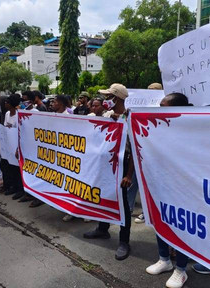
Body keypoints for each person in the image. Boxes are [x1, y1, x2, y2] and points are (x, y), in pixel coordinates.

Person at [83, 83, 136, 261]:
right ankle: (102, 229)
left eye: (109, 97)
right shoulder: (106, 115)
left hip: (123, 163)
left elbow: (135, 150)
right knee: (103, 195)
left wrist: (129, 175)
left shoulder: (131, 119)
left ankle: (124, 241)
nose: (106, 100)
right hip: (105, 163)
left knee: (123, 204)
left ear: (117, 98)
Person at [145, 92, 192, 288]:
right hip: (163, 183)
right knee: (161, 220)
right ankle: (164, 259)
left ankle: (181, 270)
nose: (160, 109)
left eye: (164, 106)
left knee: (182, 225)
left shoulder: (191, 127)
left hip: (184, 187)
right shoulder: (161, 125)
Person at [2, 94, 24, 200]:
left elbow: (22, 132)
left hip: (17, 146)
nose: (5, 104)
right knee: (10, 167)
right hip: (8, 144)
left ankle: (20, 189)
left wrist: (18, 148)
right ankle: (13, 187)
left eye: (7, 102)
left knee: (18, 168)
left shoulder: (19, 115)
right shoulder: (7, 114)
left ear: (11, 104)